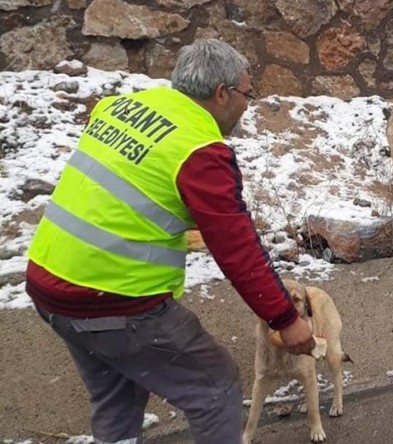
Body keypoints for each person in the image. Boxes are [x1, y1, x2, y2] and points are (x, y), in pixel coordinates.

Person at [24, 39, 315, 444]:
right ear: (221, 93)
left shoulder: (122, 107)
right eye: (247, 95)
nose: (248, 106)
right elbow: (237, 249)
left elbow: (125, 188)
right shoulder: (199, 148)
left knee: (117, 397)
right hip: (115, 299)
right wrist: (285, 318)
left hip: (47, 282)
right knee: (216, 388)